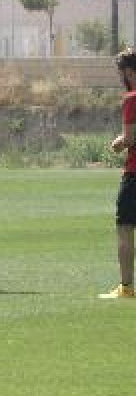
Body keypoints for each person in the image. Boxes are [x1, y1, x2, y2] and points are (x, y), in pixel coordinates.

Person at [102, 48, 136, 299]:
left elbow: (130, 137)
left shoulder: (131, 98)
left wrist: (117, 142)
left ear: (128, 71)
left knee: (125, 228)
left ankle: (125, 287)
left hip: (134, 173)